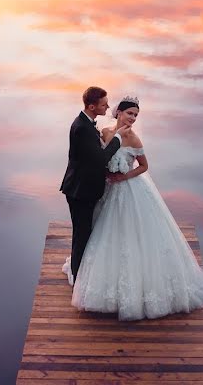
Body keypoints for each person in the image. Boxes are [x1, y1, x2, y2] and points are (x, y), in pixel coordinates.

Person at [63, 95, 203, 320]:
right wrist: (106, 173)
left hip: (128, 188)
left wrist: (124, 177)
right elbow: (97, 158)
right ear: (118, 113)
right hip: (106, 189)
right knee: (101, 230)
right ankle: (86, 273)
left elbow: (144, 166)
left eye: (135, 115)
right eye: (129, 113)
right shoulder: (104, 132)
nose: (132, 118)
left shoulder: (134, 139)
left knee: (133, 232)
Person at [60, 86, 130, 282]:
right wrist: (117, 138)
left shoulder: (87, 123)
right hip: (80, 191)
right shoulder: (82, 128)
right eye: (104, 104)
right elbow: (100, 159)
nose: (108, 107)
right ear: (92, 106)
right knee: (81, 235)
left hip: (82, 187)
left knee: (84, 232)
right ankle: (76, 277)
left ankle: (80, 273)